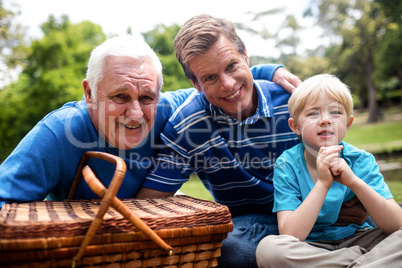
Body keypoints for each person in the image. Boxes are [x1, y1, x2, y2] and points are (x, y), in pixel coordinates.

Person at [135, 15, 369, 267]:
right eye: (210, 78)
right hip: (256, 226)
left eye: (231, 66)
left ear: (246, 56)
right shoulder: (187, 127)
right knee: (231, 249)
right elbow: (148, 202)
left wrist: (353, 202)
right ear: (196, 85)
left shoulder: (291, 104)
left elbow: (340, 156)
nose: (228, 85)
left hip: (322, 213)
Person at [0, 34, 297, 208]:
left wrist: (268, 72)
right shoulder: (59, 132)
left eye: (146, 97)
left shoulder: (168, 108)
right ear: (89, 93)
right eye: (119, 97)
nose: (136, 113)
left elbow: (220, 82)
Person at [256, 74, 402, 267]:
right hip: (311, 248)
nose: (325, 120)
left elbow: (395, 223)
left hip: (359, 238)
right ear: (295, 126)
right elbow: (291, 234)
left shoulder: (361, 160)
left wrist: (354, 182)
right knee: (268, 250)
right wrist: (323, 183)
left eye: (335, 112)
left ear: (348, 123)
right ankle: (362, 262)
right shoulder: (287, 164)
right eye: (313, 114)